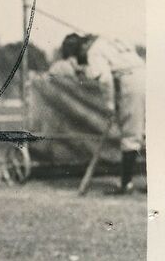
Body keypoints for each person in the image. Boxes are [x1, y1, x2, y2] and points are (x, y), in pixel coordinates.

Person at [61, 33, 145, 193]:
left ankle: (125, 185)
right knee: (145, 132)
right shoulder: (109, 39)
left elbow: (105, 79)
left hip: (131, 82)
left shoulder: (93, 51)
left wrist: (110, 105)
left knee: (131, 136)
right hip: (145, 73)